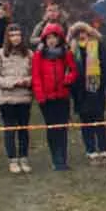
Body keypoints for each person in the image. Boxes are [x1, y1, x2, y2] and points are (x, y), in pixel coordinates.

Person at [0, 23, 35, 175]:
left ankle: (23, 158)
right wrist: (11, 83)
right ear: (7, 37)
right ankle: (13, 160)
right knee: (9, 130)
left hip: (24, 98)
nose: (16, 38)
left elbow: (36, 74)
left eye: (18, 35)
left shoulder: (29, 54)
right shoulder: (0, 54)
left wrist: (27, 81)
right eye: (12, 35)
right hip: (7, 99)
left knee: (23, 130)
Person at [30, 23, 78, 172]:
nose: (51, 40)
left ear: (59, 38)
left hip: (62, 97)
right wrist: (40, 96)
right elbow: (36, 76)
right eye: (48, 37)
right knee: (51, 128)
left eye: (54, 37)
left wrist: (67, 80)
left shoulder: (66, 53)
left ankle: (62, 158)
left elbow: (73, 71)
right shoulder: (39, 55)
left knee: (62, 128)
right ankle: (55, 158)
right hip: (47, 98)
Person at [66, 21, 106, 163]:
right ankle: (91, 149)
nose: (82, 35)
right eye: (78, 33)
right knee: (85, 121)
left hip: (96, 89)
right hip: (79, 91)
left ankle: (104, 148)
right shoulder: (71, 49)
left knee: (99, 119)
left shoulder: (98, 45)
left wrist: (102, 83)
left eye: (84, 32)